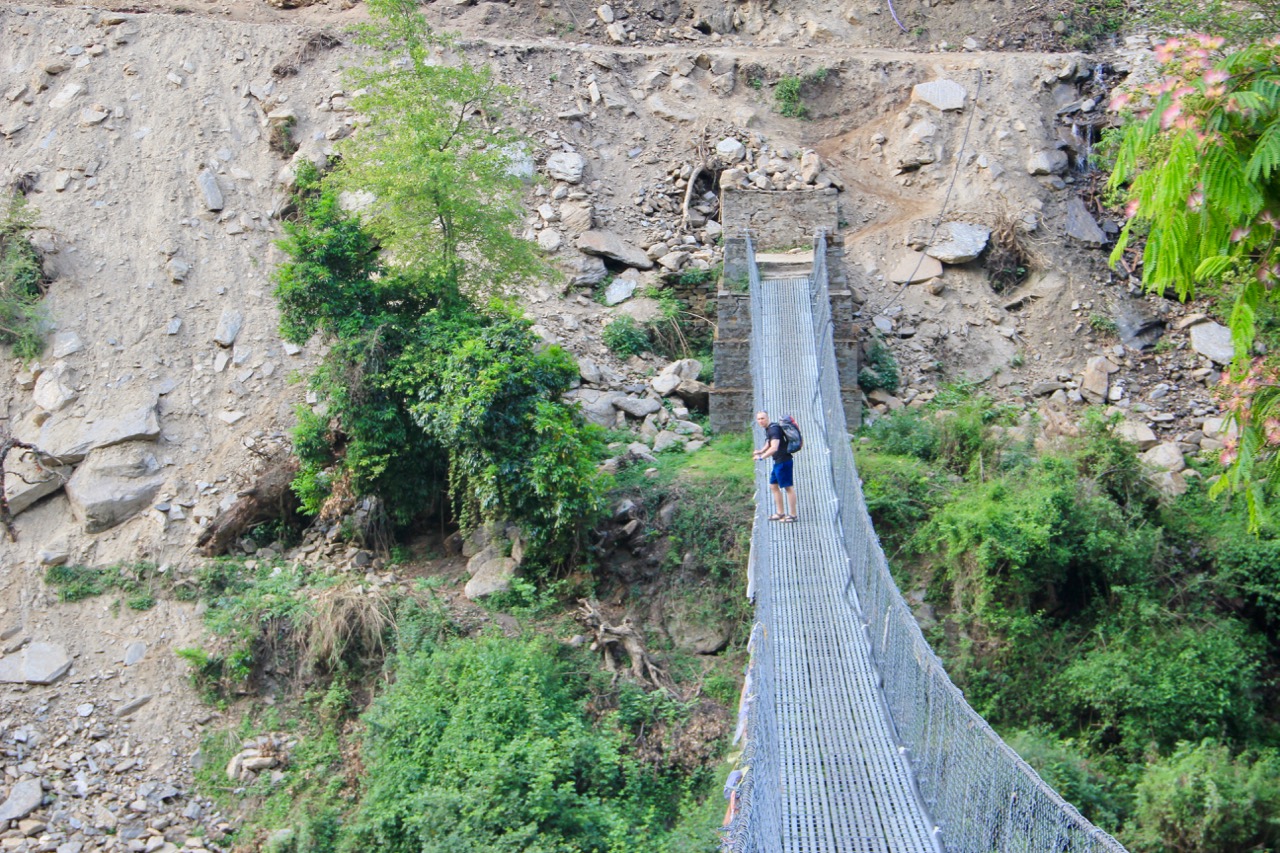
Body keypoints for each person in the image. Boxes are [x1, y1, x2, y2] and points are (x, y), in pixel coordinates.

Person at [752, 411, 797, 522]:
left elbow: (774, 447)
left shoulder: (774, 430)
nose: (760, 421)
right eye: (758, 419)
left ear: (767, 418)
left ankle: (793, 515)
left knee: (788, 487)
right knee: (773, 486)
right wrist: (760, 451)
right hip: (778, 462)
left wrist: (762, 457)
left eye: (762, 418)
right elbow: (769, 442)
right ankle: (780, 513)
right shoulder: (770, 428)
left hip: (783, 461)